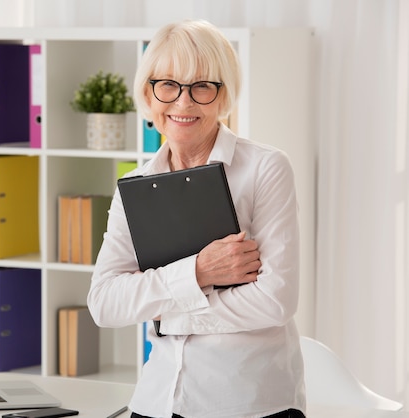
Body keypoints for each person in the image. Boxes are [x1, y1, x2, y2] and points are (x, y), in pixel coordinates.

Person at [87, 19, 306, 418]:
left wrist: (164, 313)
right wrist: (200, 272)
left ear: (224, 96)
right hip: (156, 400)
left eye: (202, 86)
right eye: (167, 85)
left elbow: (275, 301)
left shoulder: (266, 168)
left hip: (248, 403)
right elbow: (104, 302)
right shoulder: (135, 185)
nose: (183, 103)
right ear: (148, 95)